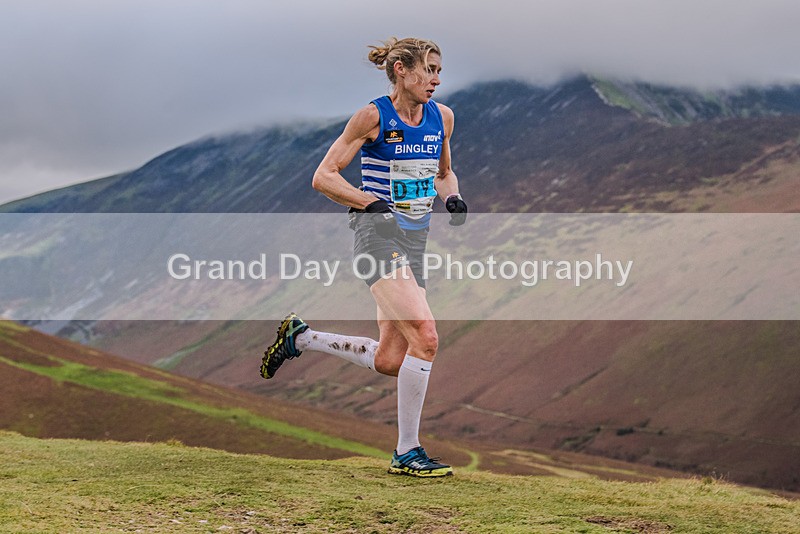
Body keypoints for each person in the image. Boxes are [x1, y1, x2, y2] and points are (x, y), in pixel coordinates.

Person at [260, 37, 467, 478]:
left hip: (415, 243)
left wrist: (453, 199)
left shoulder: (442, 117)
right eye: (428, 69)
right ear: (399, 70)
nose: (436, 78)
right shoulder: (373, 116)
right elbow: (324, 176)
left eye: (438, 69)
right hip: (375, 238)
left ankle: (300, 339)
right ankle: (407, 452)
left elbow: (444, 174)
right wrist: (367, 203)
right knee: (427, 338)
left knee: (392, 360)